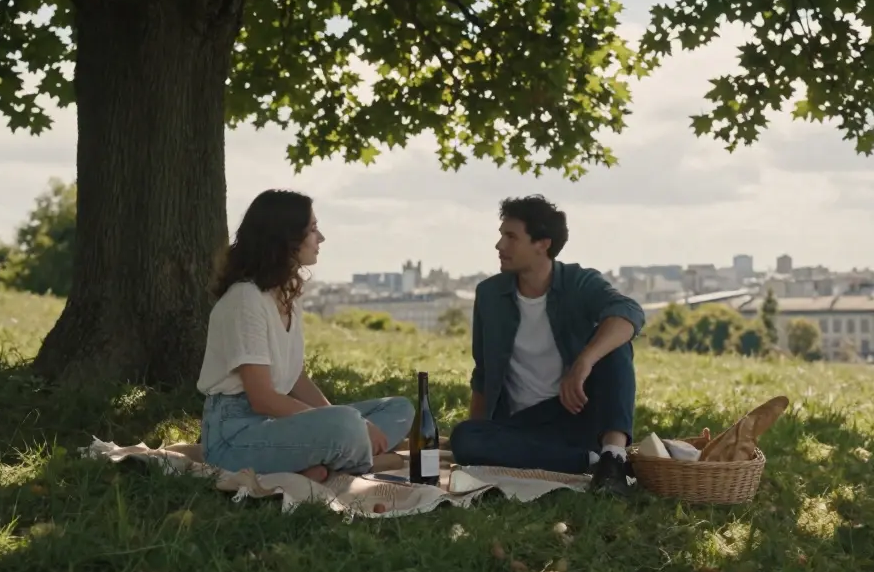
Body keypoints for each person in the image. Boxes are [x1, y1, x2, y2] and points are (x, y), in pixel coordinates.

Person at [197, 189, 414, 482]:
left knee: (399, 408)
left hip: (278, 423)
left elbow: (295, 377)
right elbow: (262, 399)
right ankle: (367, 460)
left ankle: (322, 462)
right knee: (346, 425)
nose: (320, 238)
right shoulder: (245, 299)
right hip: (235, 436)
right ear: (286, 238)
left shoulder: (286, 294)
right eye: (312, 229)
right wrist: (352, 424)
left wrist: (342, 418)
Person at [448, 195, 645, 496]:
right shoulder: (489, 295)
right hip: (522, 426)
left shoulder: (578, 283)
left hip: (576, 413)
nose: (499, 246)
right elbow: (483, 375)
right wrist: (480, 436)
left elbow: (629, 312)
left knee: (616, 345)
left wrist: (583, 362)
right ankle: (594, 462)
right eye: (501, 235)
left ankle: (614, 456)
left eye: (511, 237)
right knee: (464, 438)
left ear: (543, 244)